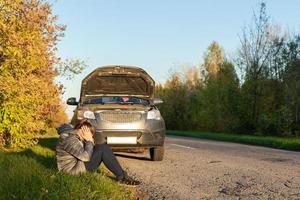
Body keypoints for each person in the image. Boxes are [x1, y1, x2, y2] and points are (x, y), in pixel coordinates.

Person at [56, 119, 140, 185]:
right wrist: (89, 141)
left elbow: (86, 151)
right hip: (72, 171)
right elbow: (85, 157)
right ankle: (122, 178)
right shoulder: (70, 140)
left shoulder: (73, 136)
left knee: (101, 147)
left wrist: (90, 142)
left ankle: (122, 175)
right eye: (89, 133)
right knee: (103, 148)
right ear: (83, 130)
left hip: (76, 164)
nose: (90, 136)